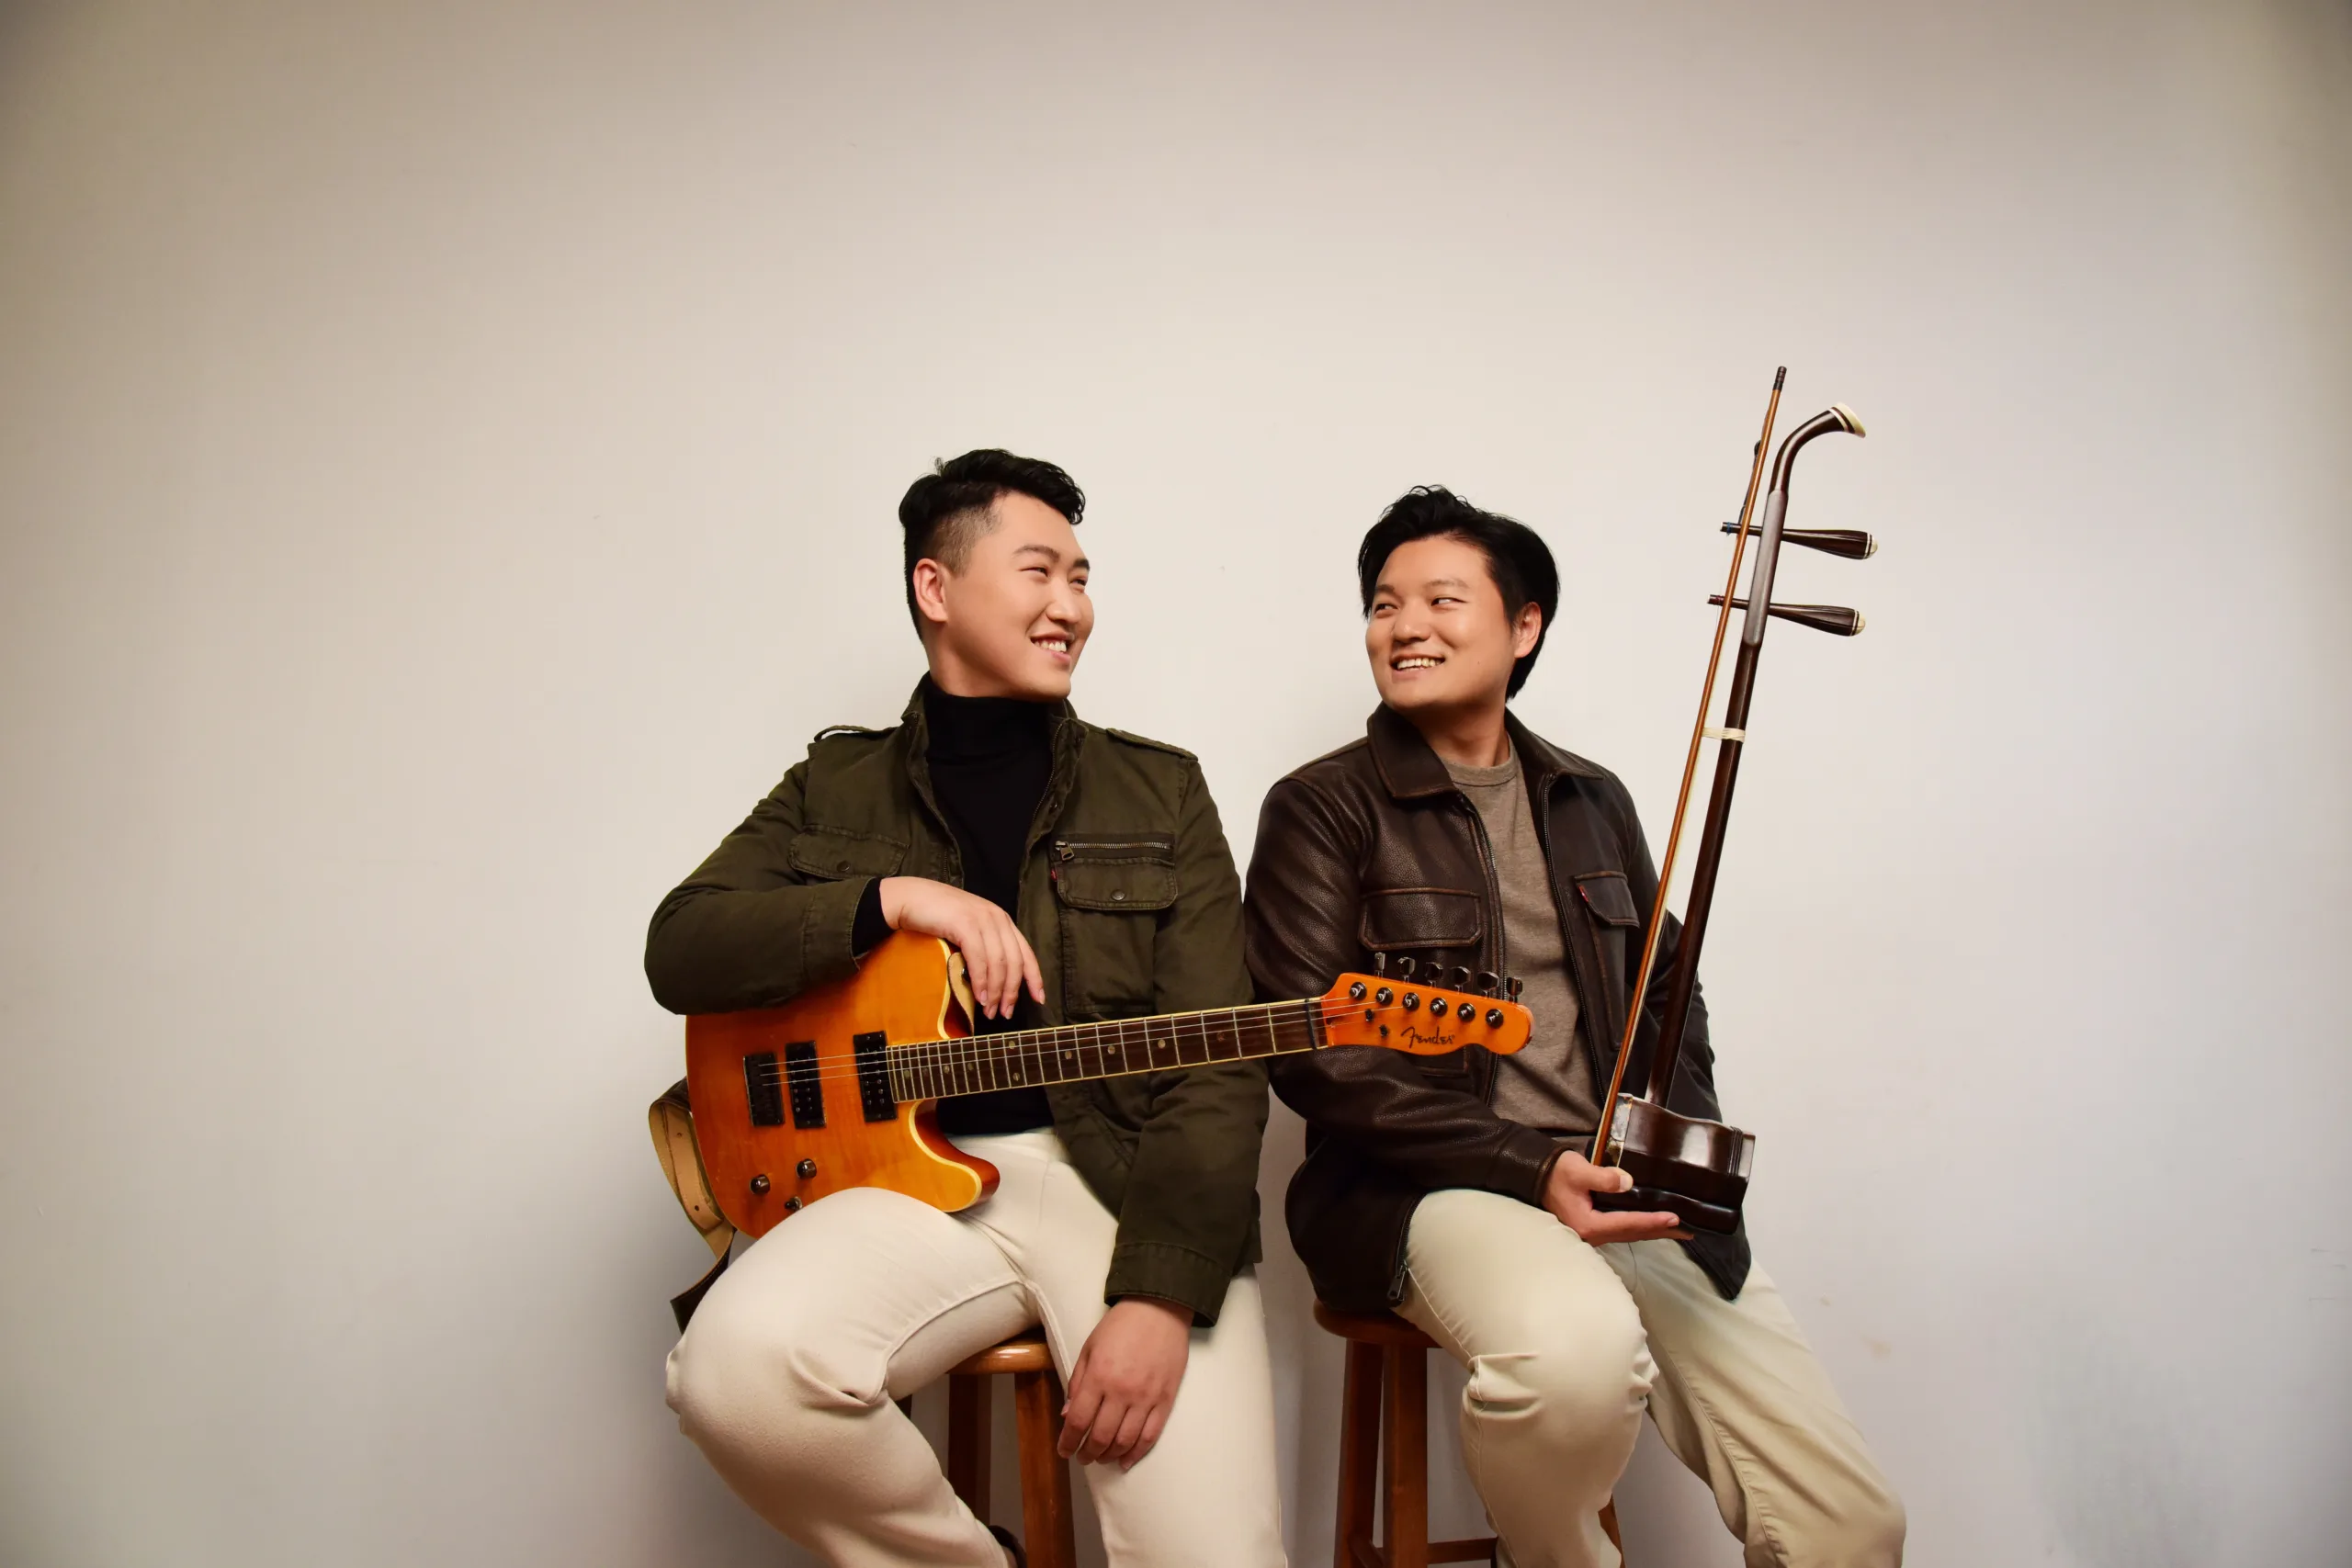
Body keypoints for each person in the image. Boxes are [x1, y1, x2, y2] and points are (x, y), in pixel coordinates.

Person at [1244, 487, 1904, 1568]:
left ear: (1524, 626)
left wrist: (1670, 1142)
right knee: (1573, 1361)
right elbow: (1314, 1051)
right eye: (1382, 603)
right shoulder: (1322, 807)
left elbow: (1665, 994)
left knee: (1852, 1525)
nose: (1403, 625)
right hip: (1428, 1190)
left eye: (1441, 600)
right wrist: (1525, 1162)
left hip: (1618, 1182)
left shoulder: (1591, 799)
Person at [649, 449, 1286, 1568]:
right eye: (1039, 571)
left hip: (1124, 1180)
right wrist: (891, 898)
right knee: (730, 1372)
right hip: (908, 1184)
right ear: (934, 591)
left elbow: (1217, 1065)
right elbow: (681, 946)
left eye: (1082, 578)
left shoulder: (1161, 788)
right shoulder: (833, 786)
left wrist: (1157, 1294)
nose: (1072, 607)